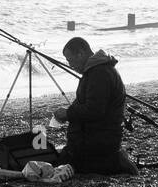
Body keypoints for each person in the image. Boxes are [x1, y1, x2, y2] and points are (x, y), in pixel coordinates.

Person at [52, 37, 139, 176]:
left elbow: (94, 111)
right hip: (98, 138)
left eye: (70, 60)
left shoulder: (99, 74)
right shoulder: (95, 71)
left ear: (80, 54)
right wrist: (69, 112)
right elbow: (87, 104)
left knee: (56, 164)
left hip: (98, 142)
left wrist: (67, 114)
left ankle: (117, 161)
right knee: (56, 158)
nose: (70, 65)